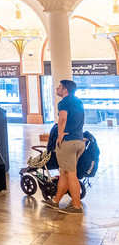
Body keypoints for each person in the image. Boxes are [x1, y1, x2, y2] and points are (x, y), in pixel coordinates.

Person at [44, 79, 85, 214]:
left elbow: (62, 119)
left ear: (65, 90)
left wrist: (60, 134)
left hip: (68, 142)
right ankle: (56, 201)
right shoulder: (78, 101)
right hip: (79, 141)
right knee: (64, 173)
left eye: (59, 87)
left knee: (71, 174)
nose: (57, 88)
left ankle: (76, 206)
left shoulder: (64, 102)